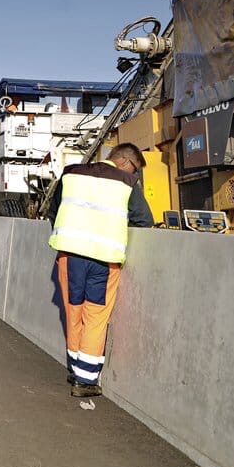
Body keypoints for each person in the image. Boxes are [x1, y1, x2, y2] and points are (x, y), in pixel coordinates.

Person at [45, 142, 154, 397]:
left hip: (70, 256)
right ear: (126, 162)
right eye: (136, 169)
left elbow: (54, 211)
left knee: (74, 312)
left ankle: (74, 368)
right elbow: (144, 221)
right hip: (104, 260)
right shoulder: (126, 182)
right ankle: (85, 381)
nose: (135, 175)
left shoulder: (71, 173)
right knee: (96, 317)